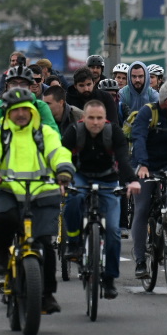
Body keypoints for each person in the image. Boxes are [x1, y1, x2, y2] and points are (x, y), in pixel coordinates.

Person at [0, 90, 74, 315]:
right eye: (16, 110)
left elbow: (58, 152)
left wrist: (64, 169)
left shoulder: (45, 133)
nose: (21, 114)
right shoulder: (0, 133)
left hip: (41, 192)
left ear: (32, 110)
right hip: (5, 190)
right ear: (9, 112)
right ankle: (2, 252)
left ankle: (47, 294)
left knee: (45, 244)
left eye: (26, 109)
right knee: (4, 218)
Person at [60, 100, 139, 299]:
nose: (95, 123)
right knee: (74, 198)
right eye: (91, 118)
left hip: (107, 180)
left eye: (99, 118)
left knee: (113, 230)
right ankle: (74, 242)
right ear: (84, 118)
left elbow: (122, 158)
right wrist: (61, 179)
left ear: (106, 119)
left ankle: (110, 278)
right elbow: (62, 157)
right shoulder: (73, 132)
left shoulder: (113, 132)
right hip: (80, 176)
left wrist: (132, 181)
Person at [130, 81, 167, 280]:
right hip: (146, 164)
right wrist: (143, 165)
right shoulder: (148, 113)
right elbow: (138, 138)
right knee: (142, 208)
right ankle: (139, 261)